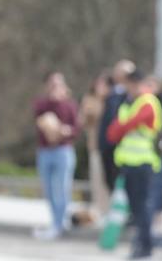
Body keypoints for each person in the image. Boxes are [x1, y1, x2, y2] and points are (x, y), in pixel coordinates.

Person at [106, 70, 162, 259]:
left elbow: (126, 125)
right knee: (135, 208)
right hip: (128, 162)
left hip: (143, 162)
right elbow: (113, 133)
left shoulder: (147, 102)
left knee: (142, 207)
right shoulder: (128, 103)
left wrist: (122, 127)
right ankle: (141, 243)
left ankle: (145, 245)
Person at [33, 71, 80, 240]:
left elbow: (76, 129)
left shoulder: (70, 105)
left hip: (63, 151)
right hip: (45, 151)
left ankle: (60, 224)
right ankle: (55, 221)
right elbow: (39, 121)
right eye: (52, 84)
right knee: (49, 190)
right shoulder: (42, 104)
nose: (55, 88)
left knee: (62, 188)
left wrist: (64, 131)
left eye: (58, 84)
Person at [98, 59, 135, 197]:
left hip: (124, 148)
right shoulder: (110, 93)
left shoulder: (132, 96)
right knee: (109, 184)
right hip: (108, 145)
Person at [80, 72, 114, 219]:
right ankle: (102, 213)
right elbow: (83, 120)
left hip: (112, 148)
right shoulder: (90, 100)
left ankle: (110, 213)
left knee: (110, 183)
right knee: (98, 182)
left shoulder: (113, 101)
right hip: (95, 147)